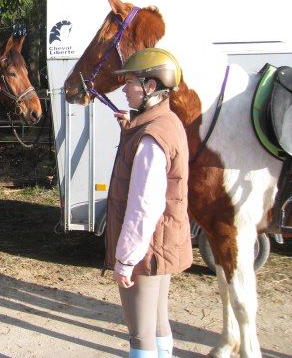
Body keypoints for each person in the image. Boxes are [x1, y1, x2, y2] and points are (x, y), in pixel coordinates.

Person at [105, 48, 192, 358]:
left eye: (130, 82)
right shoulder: (167, 122)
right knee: (158, 323)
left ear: (150, 86)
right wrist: (131, 127)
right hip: (160, 244)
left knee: (140, 336)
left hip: (145, 248)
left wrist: (126, 259)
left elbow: (144, 205)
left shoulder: (150, 139)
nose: (124, 89)